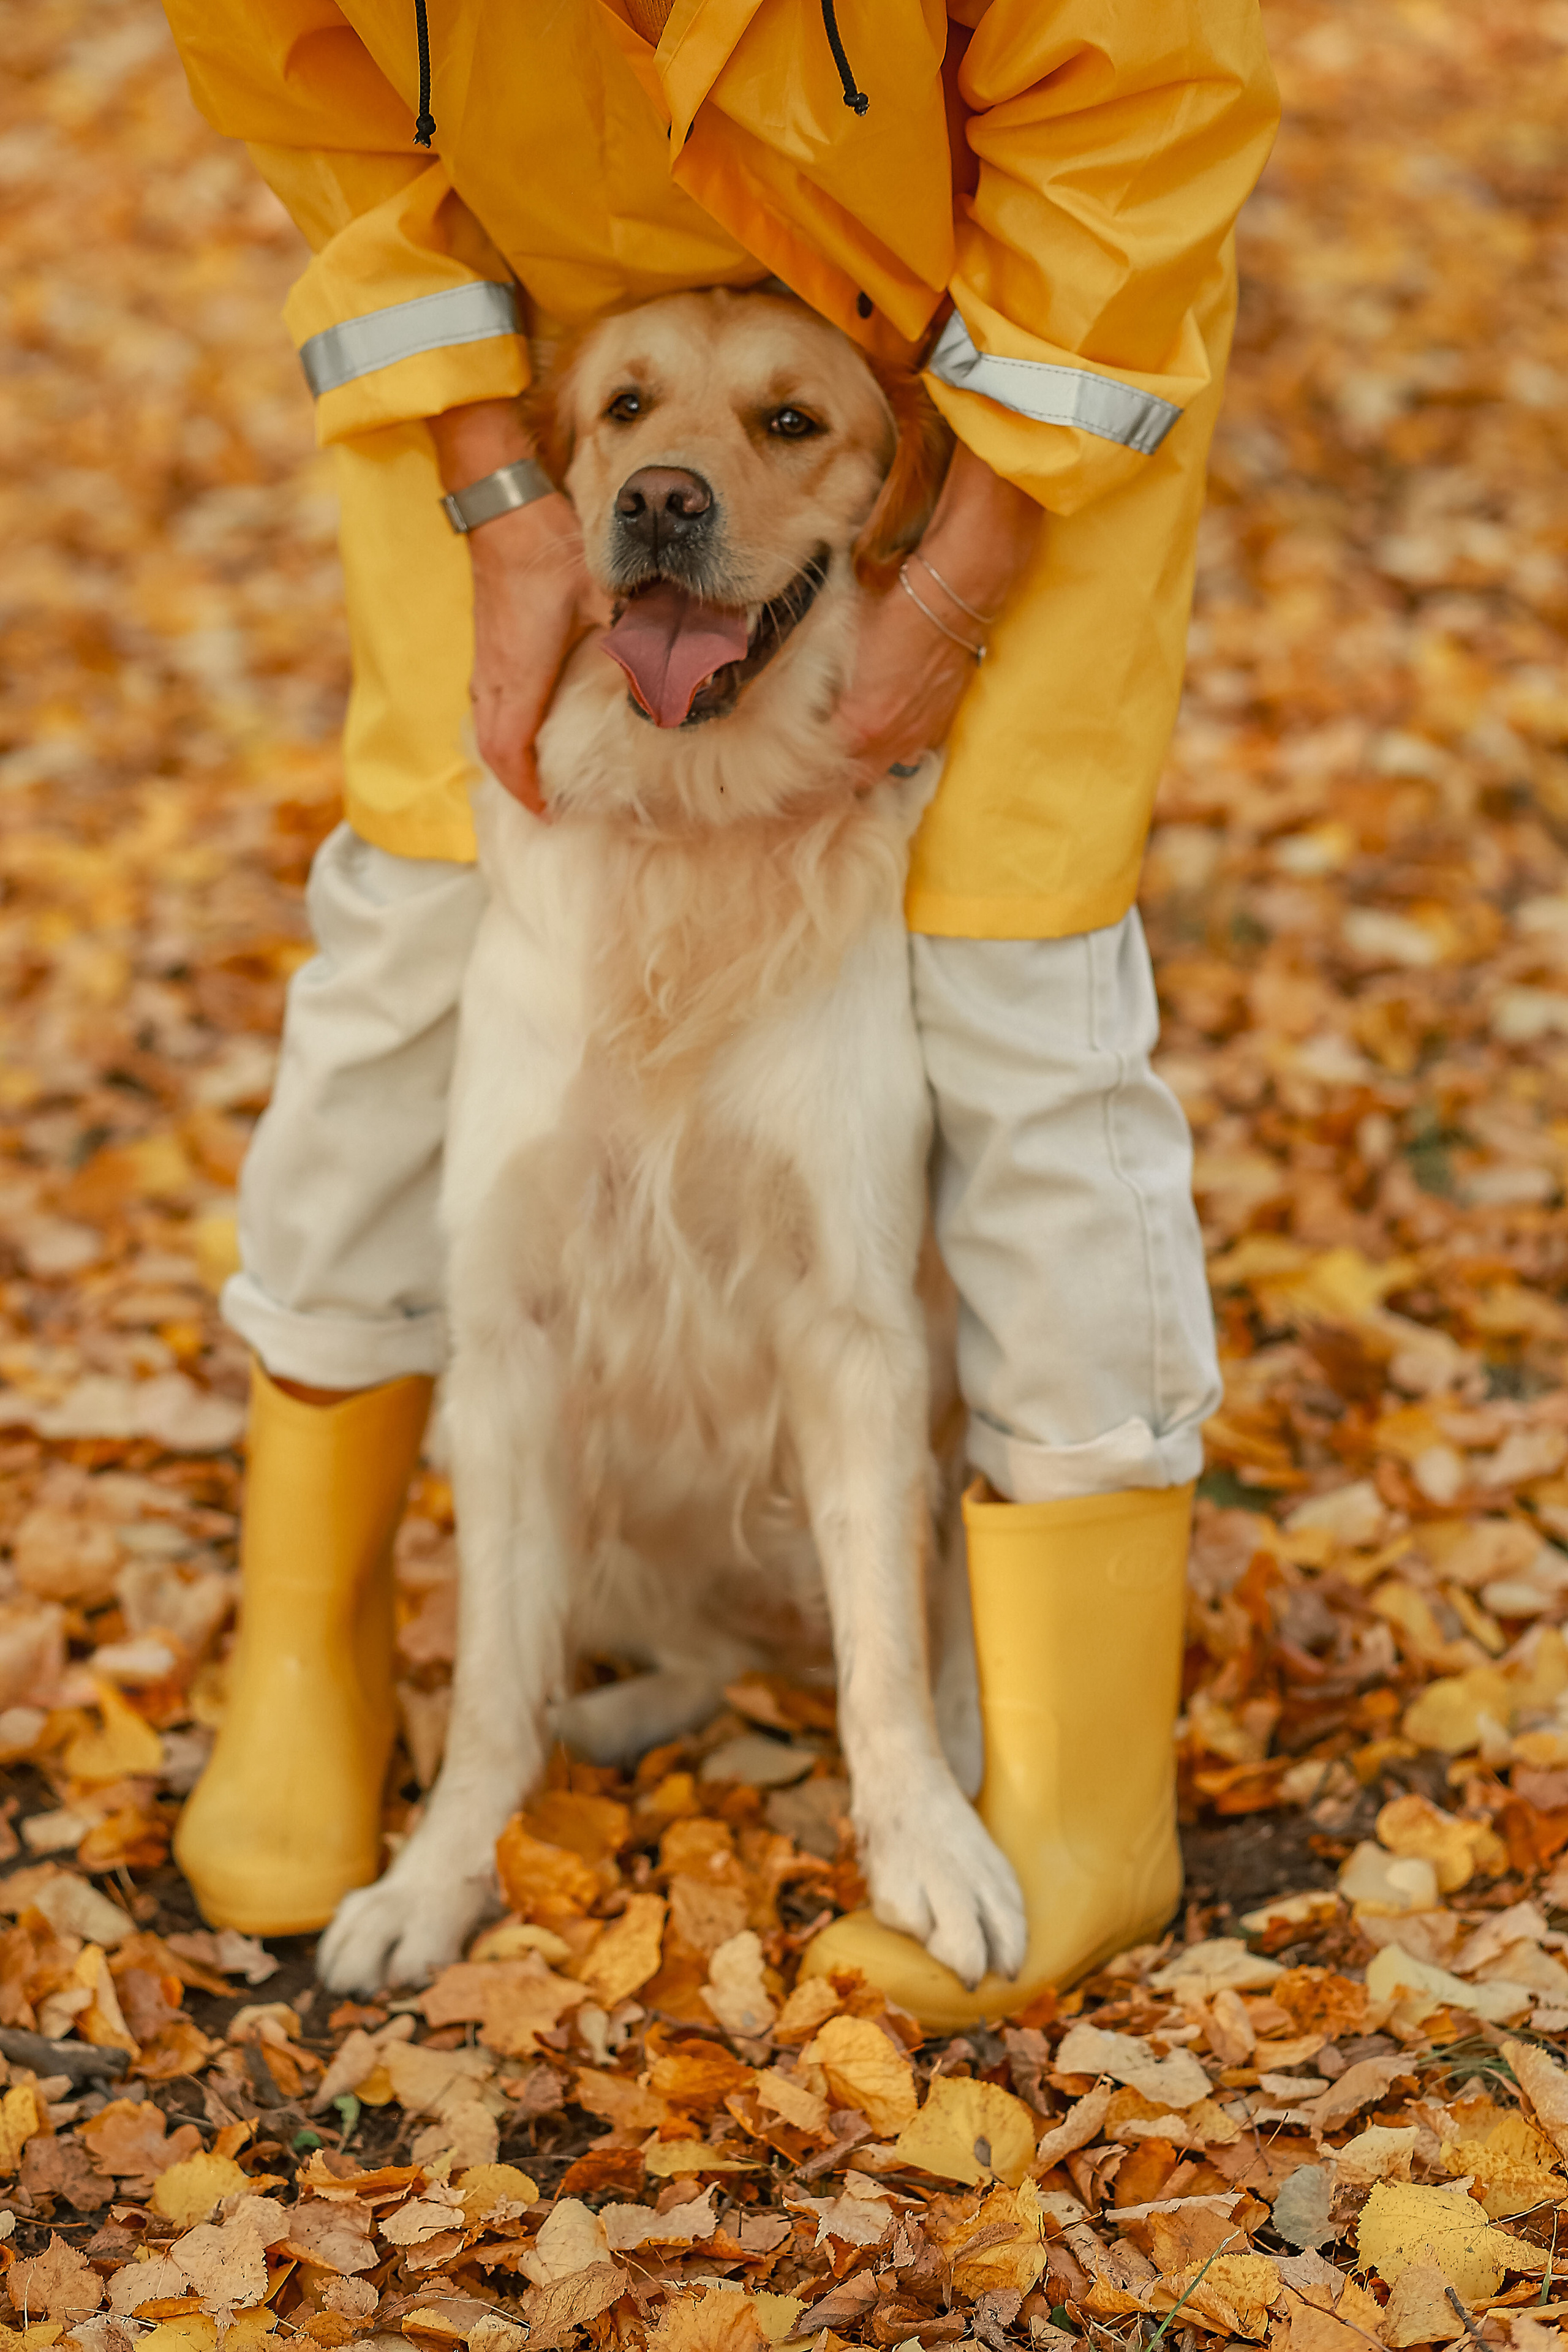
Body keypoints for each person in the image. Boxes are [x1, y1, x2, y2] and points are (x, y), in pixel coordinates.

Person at [160, 0, 1276, 2020]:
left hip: (1027, 367)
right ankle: (315, 1675)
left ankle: (1070, 1792)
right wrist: (508, 491)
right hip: (511, 389)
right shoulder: (592, 459)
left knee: (1027, 989)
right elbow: (299, 95)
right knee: (404, 928)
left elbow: (1141, 118)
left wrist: (948, 578)